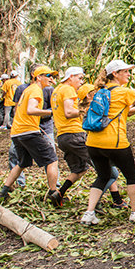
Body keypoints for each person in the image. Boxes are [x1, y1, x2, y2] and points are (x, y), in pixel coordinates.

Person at [80, 60, 135, 225]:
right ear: (115, 74)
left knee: (103, 176)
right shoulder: (125, 92)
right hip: (116, 143)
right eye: (126, 71)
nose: (129, 74)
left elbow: (122, 112)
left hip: (93, 143)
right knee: (132, 177)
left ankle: (89, 213)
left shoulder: (101, 91)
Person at [0, 66, 61, 205]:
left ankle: (3, 192)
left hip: (17, 133)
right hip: (28, 132)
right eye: (48, 75)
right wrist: (51, 112)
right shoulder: (36, 90)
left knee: (22, 163)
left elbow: (22, 110)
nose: (51, 79)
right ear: (38, 77)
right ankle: (54, 194)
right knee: (52, 160)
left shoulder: (28, 90)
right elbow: (31, 110)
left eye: (52, 76)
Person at [50, 67, 91, 206]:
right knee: (102, 166)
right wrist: (86, 109)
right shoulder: (68, 89)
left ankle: (59, 194)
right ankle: (109, 200)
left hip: (63, 136)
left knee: (80, 169)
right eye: (79, 78)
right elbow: (68, 112)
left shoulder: (56, 91)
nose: (81, 82)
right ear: (70, 77)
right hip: (74, 134)